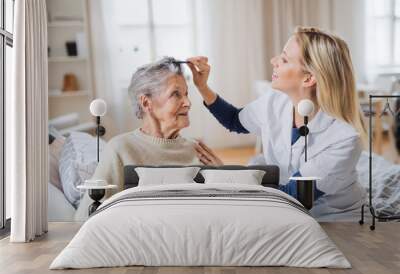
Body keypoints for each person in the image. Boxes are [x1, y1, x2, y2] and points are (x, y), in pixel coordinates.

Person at [188, 27, 367, 219]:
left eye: (284, 59)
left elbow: (292, 196)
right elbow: (234, 120)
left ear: (308, 78)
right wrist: (202, 87)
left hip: (334, 218)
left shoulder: (344, 140)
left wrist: (227, 176)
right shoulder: (275, 100)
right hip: (288, 207)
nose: (273, 61)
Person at [75, 57, 201, 220]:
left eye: (186, 94)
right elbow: (84, 219)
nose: (188, 103)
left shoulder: (196, 149)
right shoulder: (120, 149)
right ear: (146, 103)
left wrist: (219, 173)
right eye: (176, 94)